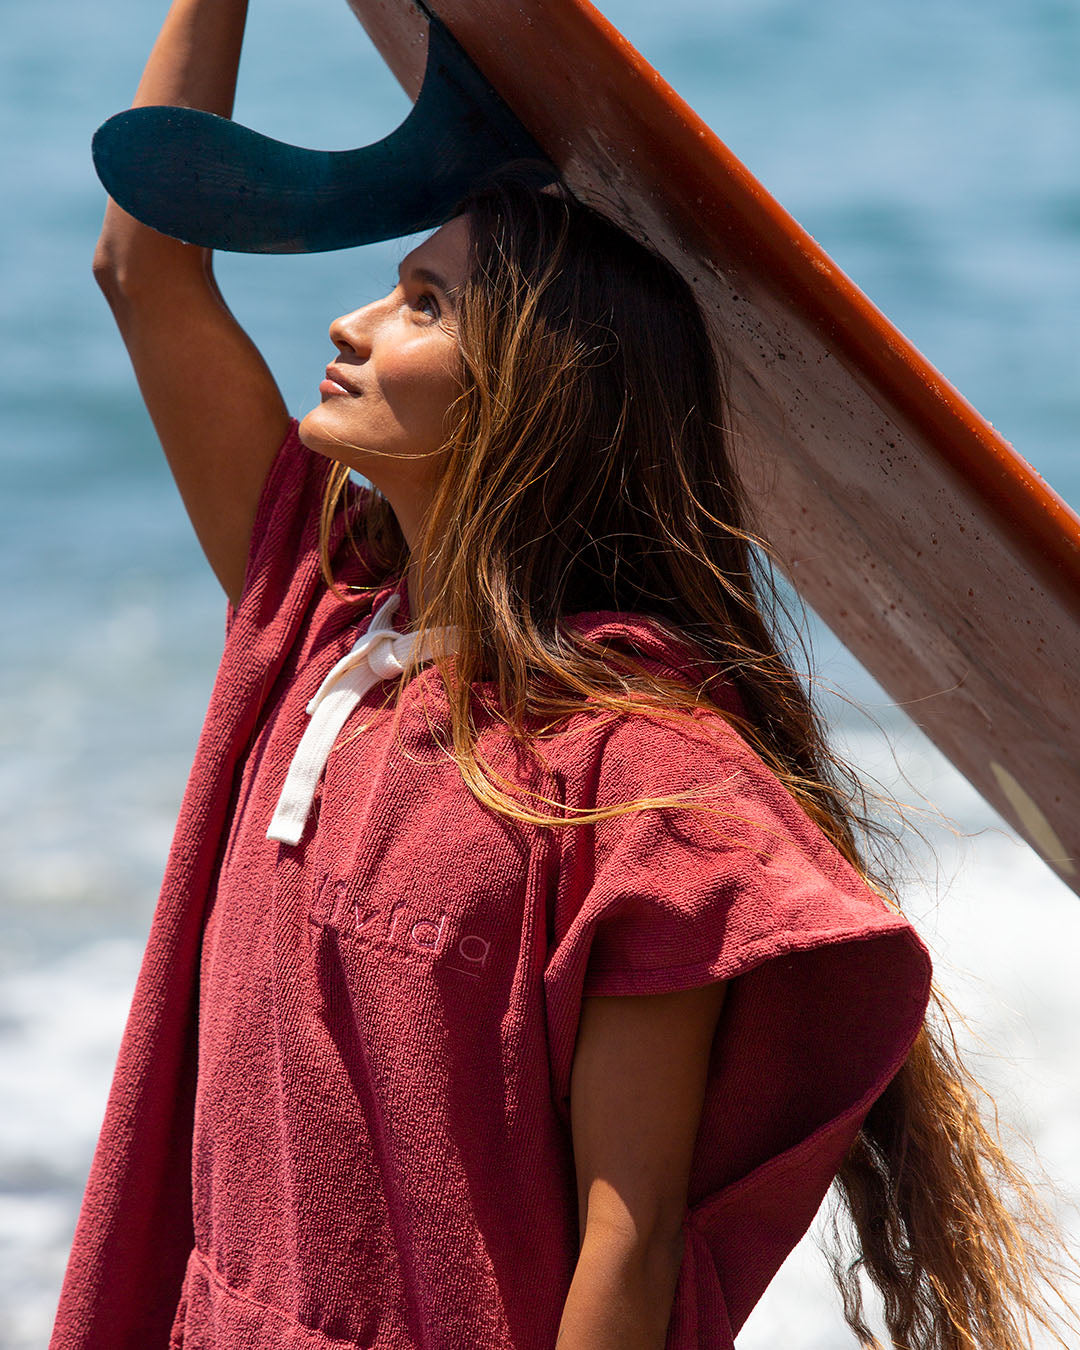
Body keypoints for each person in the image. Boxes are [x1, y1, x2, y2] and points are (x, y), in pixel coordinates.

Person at [53, 3, 1076, 1348]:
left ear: (536, 390)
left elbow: (628, 1240)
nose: (353, 323)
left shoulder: (642, 781)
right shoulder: (320, 617)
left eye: (423, 302)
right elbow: (145, 266)